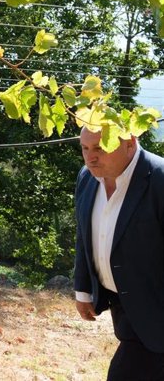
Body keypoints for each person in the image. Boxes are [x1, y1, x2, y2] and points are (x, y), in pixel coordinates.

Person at [74, 127, 164, 380]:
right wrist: (83, 289)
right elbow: (84, 234)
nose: (90, 157)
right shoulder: (87, 177)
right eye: (85, 148)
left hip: (157, 309)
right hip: (122, 305)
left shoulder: (159, 179)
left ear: (130, 143)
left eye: (100, 148)